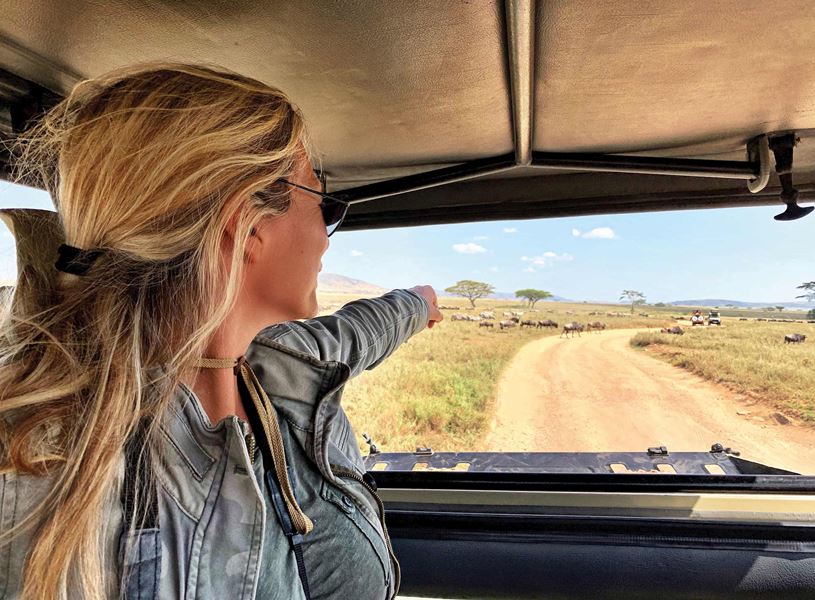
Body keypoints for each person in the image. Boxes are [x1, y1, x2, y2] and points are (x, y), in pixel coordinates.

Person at [0, 62, 443, 600]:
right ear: (247, 223)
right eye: (321, 202)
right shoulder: (50, 467)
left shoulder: (281, 360)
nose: (328, 236)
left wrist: (420, 303)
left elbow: (364, 330)